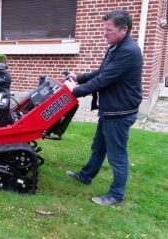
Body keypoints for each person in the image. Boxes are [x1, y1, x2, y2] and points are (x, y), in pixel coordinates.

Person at [63, 9, 143, 206]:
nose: (104, 33)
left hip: (120, 111)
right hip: (110, 109)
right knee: (98, 147)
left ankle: (116, 195)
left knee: (117, 155)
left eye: (109, 30)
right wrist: (78, 77)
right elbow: (102, 72)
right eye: (104, 29)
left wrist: (76, 91)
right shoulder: (116, 47)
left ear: (123, 29)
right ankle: (85, 176)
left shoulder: (129, 52)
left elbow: (105, 80)